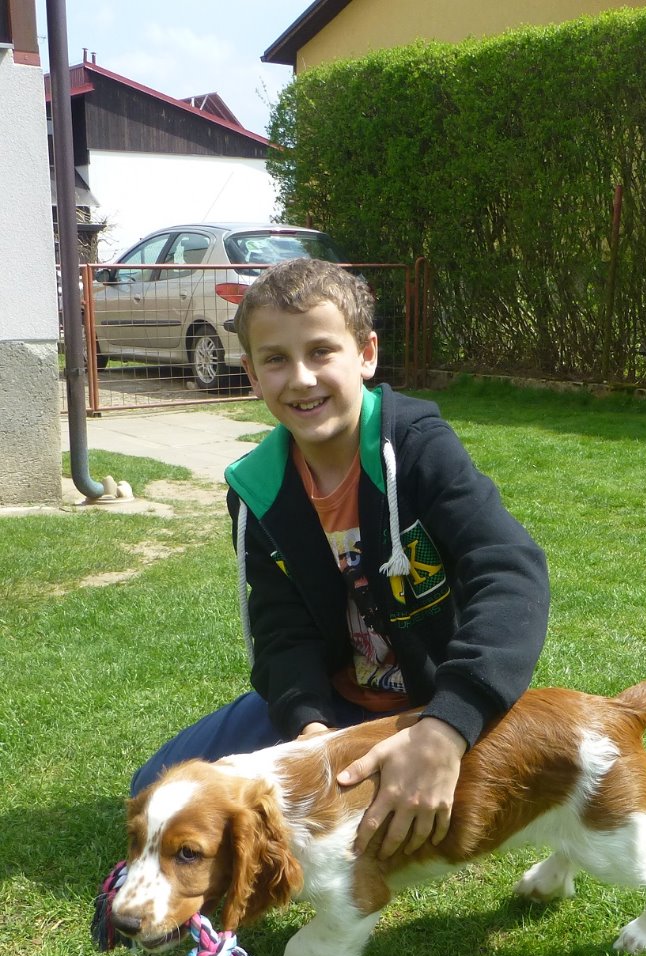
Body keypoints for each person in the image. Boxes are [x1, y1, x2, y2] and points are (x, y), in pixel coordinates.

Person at [131, 258, 549, 858]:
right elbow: (281, 628)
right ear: (251, 375)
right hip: (333, 709)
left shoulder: (419, 449)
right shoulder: (256, 490)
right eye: (276, 359)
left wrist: (448, 724)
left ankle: (431, 742)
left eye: (322, 351)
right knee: (153, 791)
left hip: (432, 701)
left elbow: (509, 570)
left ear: (366, 354)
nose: (301, 378)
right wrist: (310, 733)